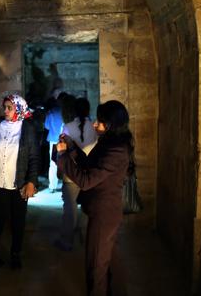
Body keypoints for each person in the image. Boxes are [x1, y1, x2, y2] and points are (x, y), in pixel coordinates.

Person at [57, 100, 132, 296]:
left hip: (104, 214)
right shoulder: (109, 142)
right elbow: (90, 163)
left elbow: (86, 180)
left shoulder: (116, 150)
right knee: (110, 261)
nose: (94, 124)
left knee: (96, 266)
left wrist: (63, 157)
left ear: (111, 124)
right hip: (105, 212)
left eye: (99, 121)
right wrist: (73, 148)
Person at [0, 94, 39, 269]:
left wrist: (31, 181)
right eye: (5, 107)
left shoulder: (27, 128)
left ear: (19, 109)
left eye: (10, 108)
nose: (6, 111)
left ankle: (15, 253)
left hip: (19, 184)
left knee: (18, 221)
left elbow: (33, 157)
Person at [54, 97, 97, 252]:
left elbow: (61, 150)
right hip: (89, 175)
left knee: (69, 210)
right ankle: (85, 239)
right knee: (87, 208)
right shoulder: (94, 128)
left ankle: (67, 241)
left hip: (71, 175)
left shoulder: (67, 127)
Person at [44, 91, 67, 193]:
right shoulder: (68, 112)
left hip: (53, 140)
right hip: (65, 141)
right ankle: (66, 185)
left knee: (53, 163)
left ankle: (52, 186)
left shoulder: (51, 112)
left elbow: (46, 126)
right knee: (67, 162)